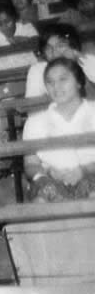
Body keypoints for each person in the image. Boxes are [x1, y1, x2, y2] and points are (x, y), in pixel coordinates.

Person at [22, 58, 95, 202]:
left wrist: (83, 170)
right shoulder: (34, 122)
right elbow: (31, 165)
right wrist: (48, 172)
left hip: (92, 175)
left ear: (79, 82)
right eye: (50, 82)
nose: (56, 86)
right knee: (43, 193)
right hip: (52, 181)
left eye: (63, 79)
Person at [0, 3, 38, 71]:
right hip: (4, 72)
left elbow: (37, 42)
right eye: (0, 24)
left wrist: (23, 40)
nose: (4, 26)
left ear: (15, 18)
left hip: (30, 68)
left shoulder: (25, 26)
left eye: (7, 21)